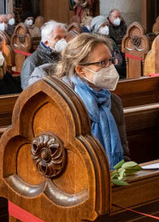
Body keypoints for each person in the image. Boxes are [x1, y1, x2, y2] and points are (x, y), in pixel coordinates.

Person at [54, 33, 129, 168]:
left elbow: (123, 150)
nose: (109, 66)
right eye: (102, 62)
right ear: (81, 70)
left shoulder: (113, 102)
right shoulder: (64, 104)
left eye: (110, 60)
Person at [20, 21, 67, 89]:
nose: (63, 41)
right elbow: (28, 90)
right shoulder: (32, 62)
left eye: (64, 37)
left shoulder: (63, 56)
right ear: (46, 42)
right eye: (58, 38)